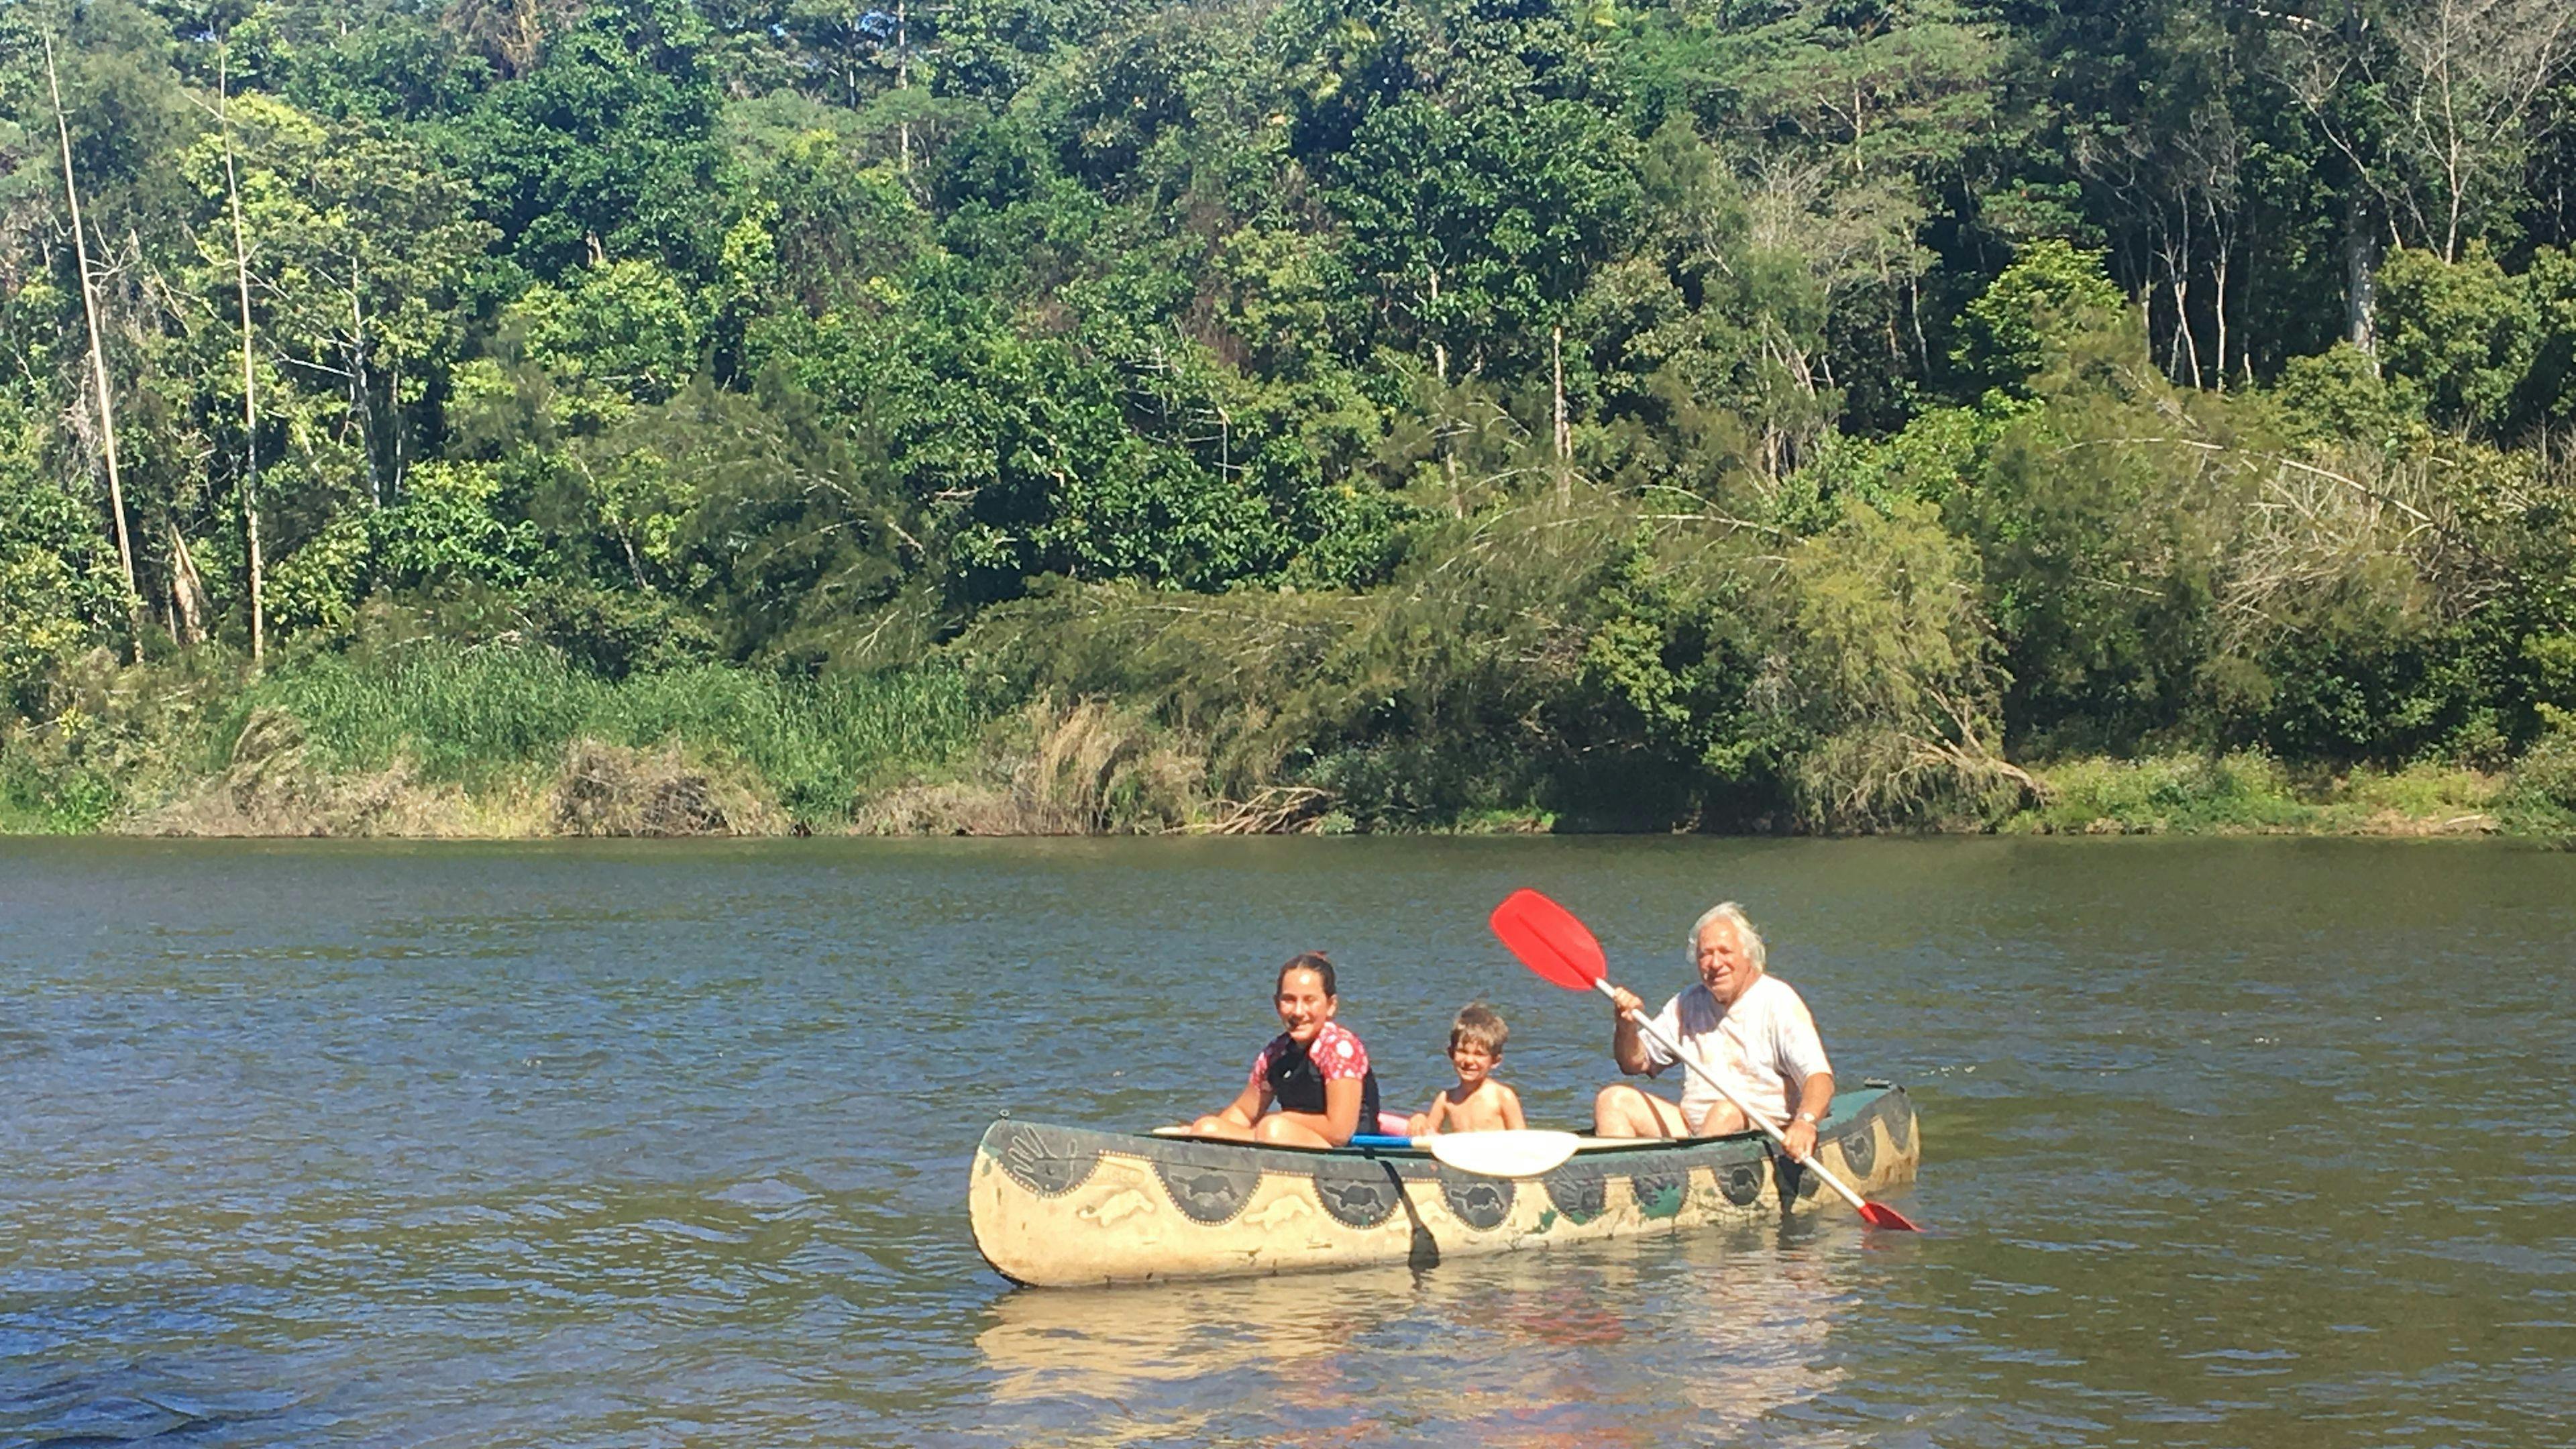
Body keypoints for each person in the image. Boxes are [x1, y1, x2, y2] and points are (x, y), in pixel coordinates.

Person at [1593, 902, 1833, 1163]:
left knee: (1724, 1113)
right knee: (1612, 1101)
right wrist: (1627, 1025)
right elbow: (1634, 1062)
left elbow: (1819, 1078)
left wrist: (1806, 1122)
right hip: (1692, 1129)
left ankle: (1692, 1181)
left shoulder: (1778, 1001)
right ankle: (1621, 1188)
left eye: (1725, 952)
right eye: (1705, 954)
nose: (1715, 963)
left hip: (1759, 1131)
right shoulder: (1687, 1003)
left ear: (1748, 956)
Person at [1179, 952, 1381, 1148]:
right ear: (1277, 1005)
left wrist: (1283, 1119)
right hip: (1285, 1137)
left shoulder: (1340, 1048)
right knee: (1206, 1127)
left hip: (1350, 1150)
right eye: (1289, 1000)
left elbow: (1340, 1132)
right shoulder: (1276, 1053)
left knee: (1274, 1129)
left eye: (1310, 1000)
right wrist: (1201, 1133)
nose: (1298, 1012)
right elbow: (1243, 1113)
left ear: (1331, 1006)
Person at [1404, 1004, 1527, 1136]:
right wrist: (1419, 1119)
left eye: (1479, 1054)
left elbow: (1521, 1142)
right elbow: (1428, 1135)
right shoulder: (1446, 1099)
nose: (1469, 1061)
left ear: (1495, 1061)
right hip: (1459, 1157)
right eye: (1463, 1051)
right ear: (1451, 1053)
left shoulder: (1502, 1097)